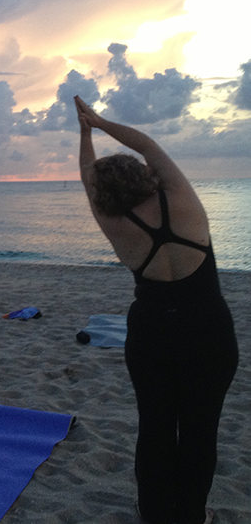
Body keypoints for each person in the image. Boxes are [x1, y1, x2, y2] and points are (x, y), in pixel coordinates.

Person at [74, 95, 238, 524]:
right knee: (200, 430)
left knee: (156, 428)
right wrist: (99, 121)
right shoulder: (182, 200)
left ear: (105, 192)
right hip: (208, 331)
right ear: (144, 176)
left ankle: (153, 514)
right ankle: (192, 516)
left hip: (151, 334)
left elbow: (86, 176)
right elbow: (147, 144)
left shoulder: (114, 224)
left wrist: (83, 135)